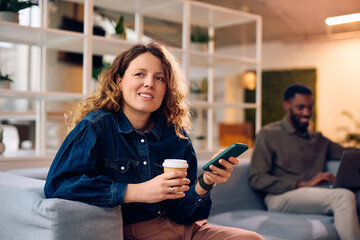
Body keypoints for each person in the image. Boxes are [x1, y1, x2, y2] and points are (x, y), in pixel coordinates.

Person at [44, 42, 263, 240]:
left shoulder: (176, 136)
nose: (149, 83)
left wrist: (206, 182)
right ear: (119, 81)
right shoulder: (96, 127)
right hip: (139, 231)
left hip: (187, 229)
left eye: (159, 78)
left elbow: (184, 213)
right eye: (140, 74)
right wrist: (136, 191)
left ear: (166, 88)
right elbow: (59, 185)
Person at [249, 83, 360, 240]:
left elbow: (349, 153)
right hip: (280, 197)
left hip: (315, 194)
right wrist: (303, 184)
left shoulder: (318, 140)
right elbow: (257, 179)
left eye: (310, 107)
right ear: (286, 106)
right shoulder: (268, 134)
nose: (306, 112)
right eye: (300, 107)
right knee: (342, 197)